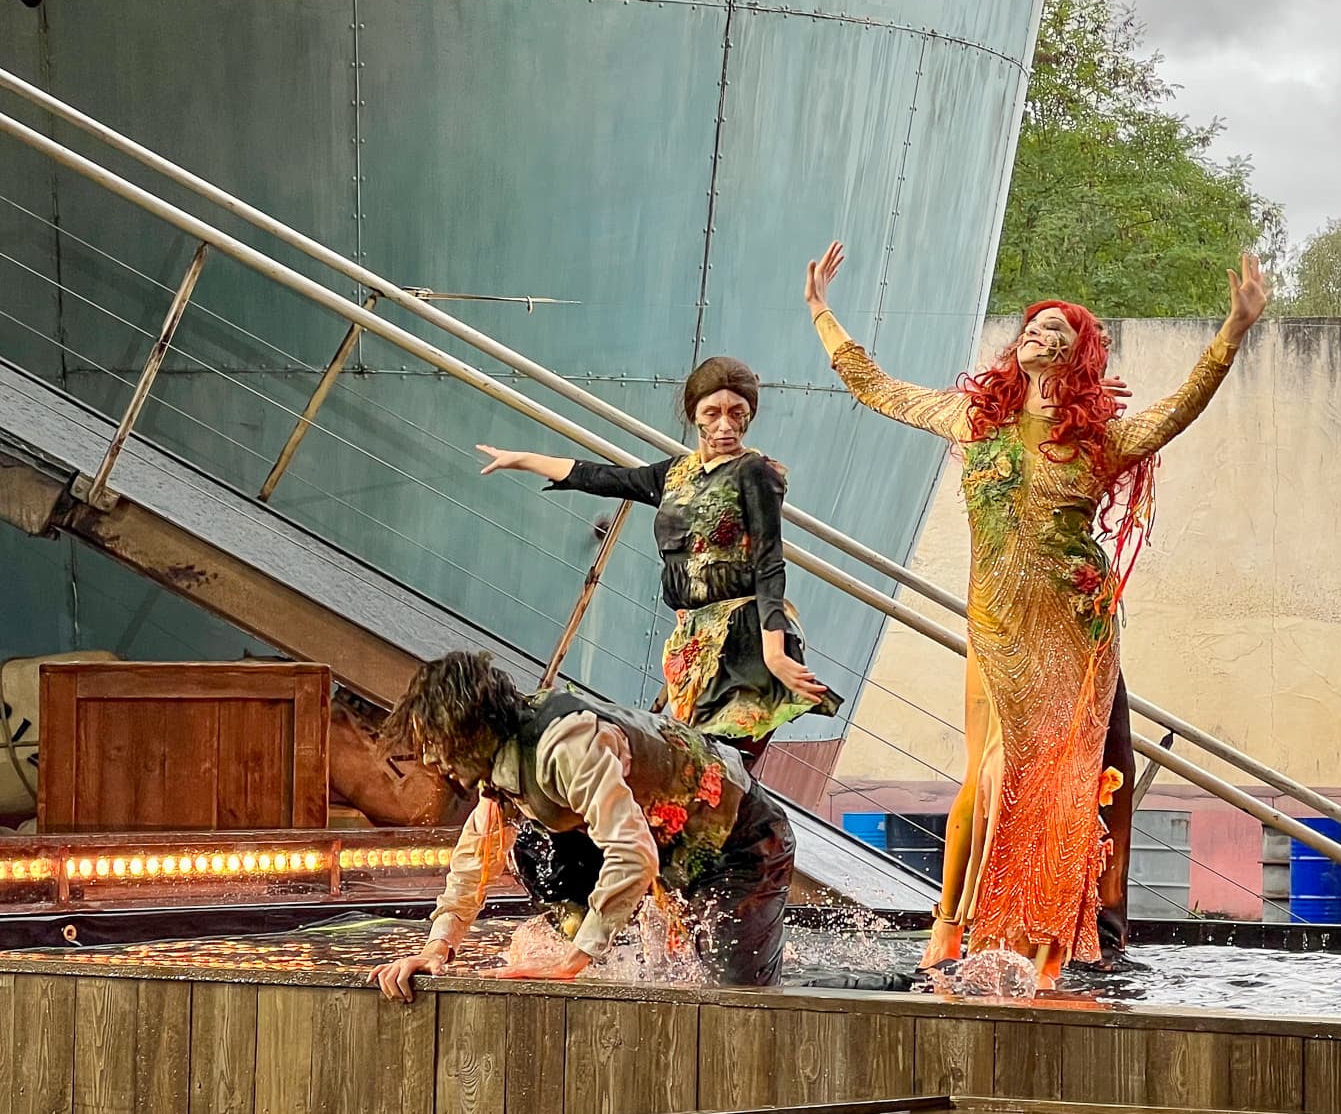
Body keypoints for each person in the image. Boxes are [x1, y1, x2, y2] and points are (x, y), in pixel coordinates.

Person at [804, 240, 1266, 987]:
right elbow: (878, 388)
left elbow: (1179, 409)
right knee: (987, 772)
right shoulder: (973, 420)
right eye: (1033, 323)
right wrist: (824, 314)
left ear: (1076, 352)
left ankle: (1048, 938)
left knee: (1061, 781)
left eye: (1058, 328)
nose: (1038, 331)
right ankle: (951, 926)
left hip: (1075, 623)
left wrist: (1233, 331)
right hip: (997, 620)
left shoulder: (1096, 440)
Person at [475, 355, 838, 768]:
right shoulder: (675, 475)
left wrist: (775, 653)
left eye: (737, 414)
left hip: (746, 642)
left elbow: (769, 561)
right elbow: (604, 478)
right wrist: (522, 458)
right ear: (693, 415)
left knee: (717, 769)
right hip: (695, 642)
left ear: (749, 416)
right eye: (712, 413)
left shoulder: (754, 472)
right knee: (696, 769)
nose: (725, 426)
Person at [369, 651, 792, 1000]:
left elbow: (632, 853)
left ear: (472, 728)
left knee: (739, 999)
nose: (426, 758)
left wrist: (574, 959)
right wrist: (436, 948)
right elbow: (473, 862)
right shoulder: (500, 767)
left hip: (744, 844)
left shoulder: (566, 747)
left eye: (433, 741)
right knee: (676, 985)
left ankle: (844, 994)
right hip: (673, 855)